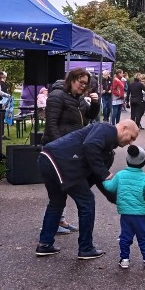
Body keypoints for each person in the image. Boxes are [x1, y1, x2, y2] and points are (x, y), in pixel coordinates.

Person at [35, 120, 139, 259]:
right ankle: (86, 248)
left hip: (48, 159)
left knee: (57, 202)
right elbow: (90, 146)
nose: (131, 142)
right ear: (123, 128)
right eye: (131, 137)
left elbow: (99, 179)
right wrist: (104, 173)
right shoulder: (107, 129)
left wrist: (118, 199)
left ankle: (45, 245)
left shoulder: (107, 153)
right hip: (60, 160)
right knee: (87, 201)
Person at [43, 68, 101, 234]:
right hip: (56, 151)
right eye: (81, 82)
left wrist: (96, 103)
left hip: (71, 149)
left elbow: (89, 115)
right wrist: (59, 146)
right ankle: (55, 225)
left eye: (86, 84)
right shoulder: (57, 96)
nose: (83, 86)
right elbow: (51, 124)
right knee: (62, 194)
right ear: (71, 80)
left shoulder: (80, 99)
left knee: (59, 195)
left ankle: (55, 226)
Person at [102, 145, 145, 270]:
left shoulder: (120, 175)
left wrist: (105, 180)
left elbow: (110, 187)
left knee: (125, 236)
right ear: (143, 162)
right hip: (141, 215)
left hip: (125, 214)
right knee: (143, 237)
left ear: (127, 159)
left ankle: (125, 259)